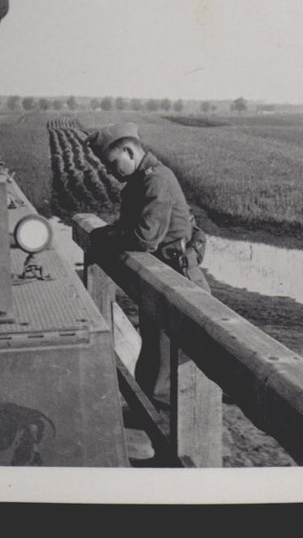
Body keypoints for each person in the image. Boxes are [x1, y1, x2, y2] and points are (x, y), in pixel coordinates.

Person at [85, 122, 210, 406]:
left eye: (112, 163)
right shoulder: (141, 181)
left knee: (167, 372)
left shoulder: (157, 180)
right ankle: (150, 422)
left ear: (129, 151)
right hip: (163, 278)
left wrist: (105, 235)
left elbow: (144, 238)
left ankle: (161, 437)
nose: (109, 171)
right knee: (154, 359)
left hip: (180, 281)